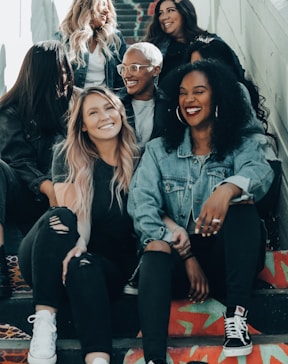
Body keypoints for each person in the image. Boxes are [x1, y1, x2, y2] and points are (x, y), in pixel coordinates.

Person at [127, 60, 274, 363]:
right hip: (181, 262)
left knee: (243, 207)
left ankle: (236, 320)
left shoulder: (239, 146)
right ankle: (154, 357)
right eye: (183, 93)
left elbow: (261, 172)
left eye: (199, 91)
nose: (189, 99)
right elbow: (142, 206)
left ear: (217, 97)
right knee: (154, 246)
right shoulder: (159, 151)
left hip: (230, 260)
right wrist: (186, 254)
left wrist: (227, 189)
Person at [18, 86, 139, 364]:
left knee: (82, 266)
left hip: (102, 266)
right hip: (50, 256)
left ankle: (97, 359)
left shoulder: (140, 157)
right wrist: (80, 243)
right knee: (58, 217)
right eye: (93, 112)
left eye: (109, 107)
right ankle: (44, 324)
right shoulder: (67, 153)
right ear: (82, 125)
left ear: (121, 111)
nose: (104, 116)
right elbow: (74, 212)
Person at [185, 38, 282, 248]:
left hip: (258, 166)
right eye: (193, 67)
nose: (196, 72)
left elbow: (236, 139)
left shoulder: (234, 90)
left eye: (202, 65)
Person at [0, 40, 74, 298]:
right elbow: (17, 161)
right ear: (42, 74)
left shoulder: (75, 104)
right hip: (28, 196)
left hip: (71, 193)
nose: (65, 77)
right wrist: (47, 187)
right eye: (59, 71)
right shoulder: (11, 110)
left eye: (67, 70)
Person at [143, 0, 244, 85]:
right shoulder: (155, 50)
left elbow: (232, 75)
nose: (164, 17)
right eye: (161, 13)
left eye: (170, 10)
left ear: (184, 12)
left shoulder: (210, 43)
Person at [57, 0, 126, 90]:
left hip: (106, 100)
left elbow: (122, 78)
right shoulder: (64, 38)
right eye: (103, 4)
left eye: (107, 6)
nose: (107, 11)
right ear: (87, 6)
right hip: (76, 101)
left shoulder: (114, 38)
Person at [116, 42, 167, 151]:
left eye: (134, 68)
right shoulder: (114, 104)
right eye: (124, 68)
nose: (126, 75)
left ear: (155, 70)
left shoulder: (168, 106)